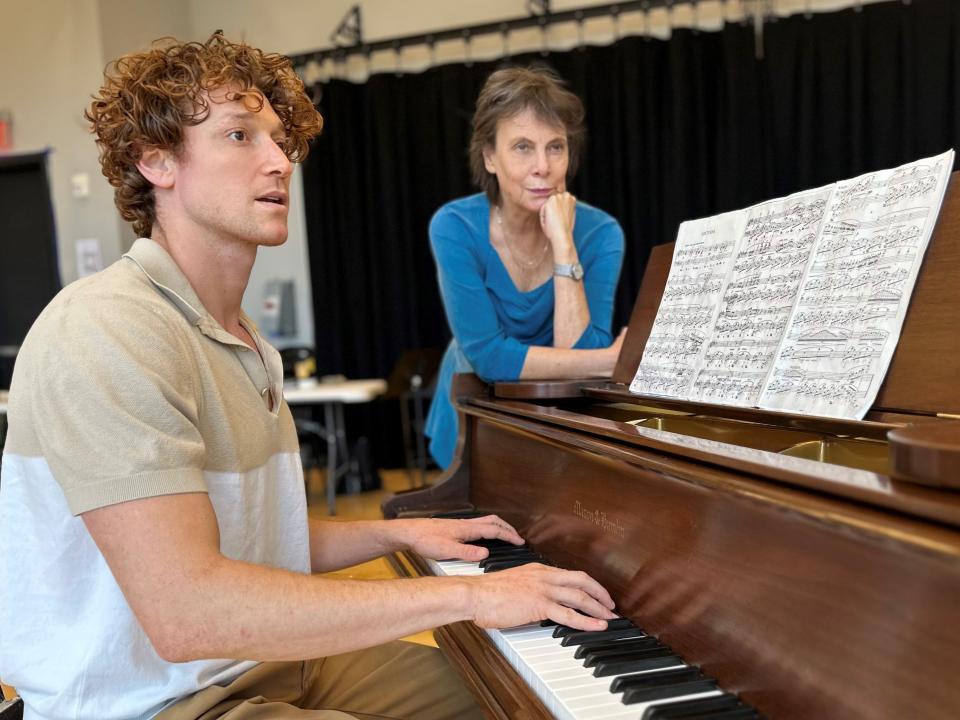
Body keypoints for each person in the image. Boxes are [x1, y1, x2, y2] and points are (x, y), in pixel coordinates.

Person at [0, 34, 618, 720]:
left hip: (264, 665)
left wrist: (395, 534)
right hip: (150, 702)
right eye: (240, 136)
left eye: (278, 137)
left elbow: (257, 538)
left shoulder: (246, 342)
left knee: (522, 704)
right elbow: (187, 613)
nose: (281, 160)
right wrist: (472, 595)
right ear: (156, 161)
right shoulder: (108, 329)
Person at [425, 66, 626, 469]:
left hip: (561, 420)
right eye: (522, 147)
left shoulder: (601, 233)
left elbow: (577, 360)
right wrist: (608, 361)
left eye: (555, 147)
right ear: (490, 157)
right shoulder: (454, 227)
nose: (543, 167)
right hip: (473, 414)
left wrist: (564, 245)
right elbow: (489, 359)